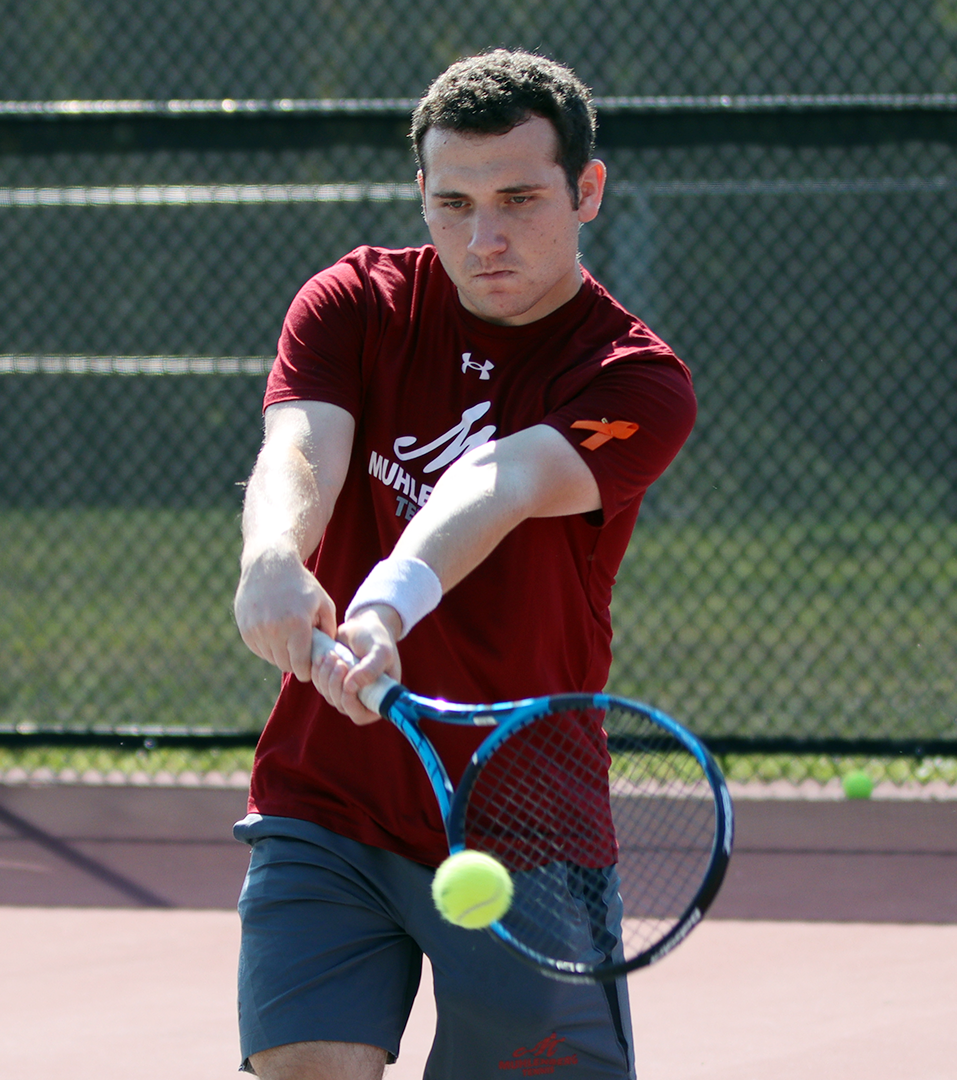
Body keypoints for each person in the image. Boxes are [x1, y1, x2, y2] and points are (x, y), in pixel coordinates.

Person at [229, 50, 695, 1079]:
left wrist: (385, 607)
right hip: (328, 794)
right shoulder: (352, 302)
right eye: (455, 203)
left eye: (521, 199)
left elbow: (502, 481)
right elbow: (299, 448)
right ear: (422, 197)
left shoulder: (637, 379)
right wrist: (270, 554)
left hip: (526, 816)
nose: (484, 238)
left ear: (587, 192)